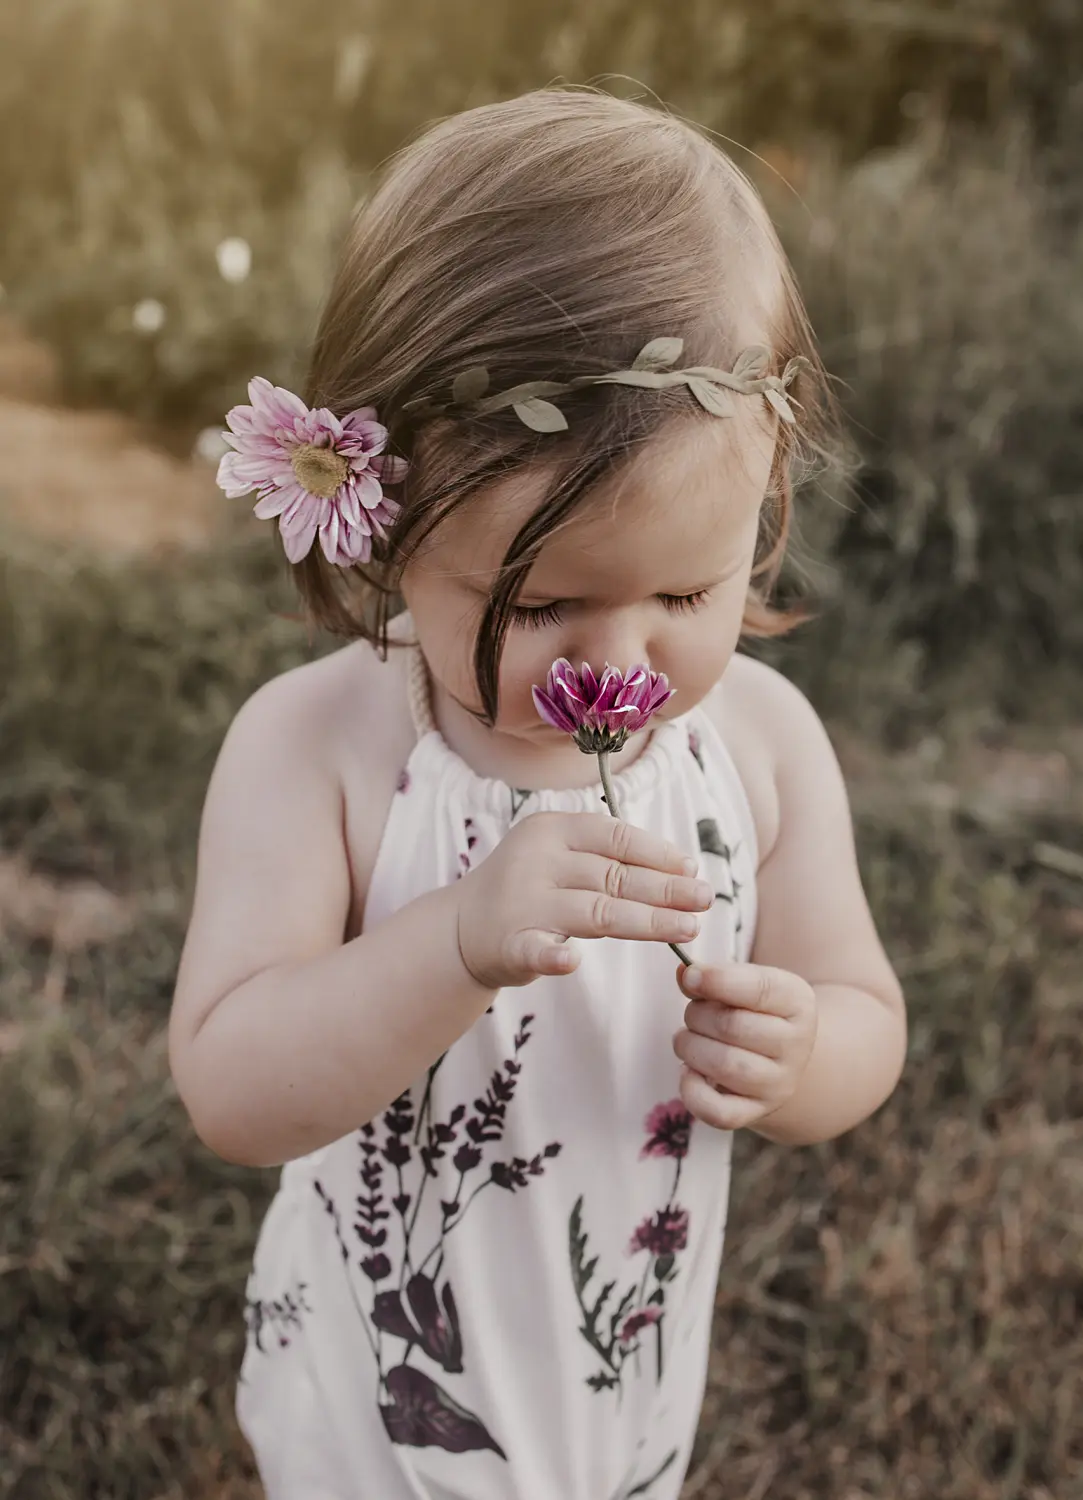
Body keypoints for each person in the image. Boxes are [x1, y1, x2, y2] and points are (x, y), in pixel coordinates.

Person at [168, 85, 906, 1500]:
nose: (621, 660)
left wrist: (800, 1054)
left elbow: (862, 1012)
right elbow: (231, 1088)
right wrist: (446, 944)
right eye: (548, 601)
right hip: (371, 1411)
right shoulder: (318, 750)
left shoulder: (755, 744)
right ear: (388, 531)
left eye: (689, 589)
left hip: (612, 1387)